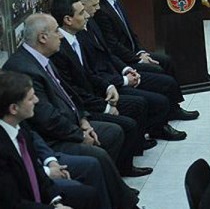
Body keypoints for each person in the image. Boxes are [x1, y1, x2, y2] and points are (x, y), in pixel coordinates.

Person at [2, 13, 139, 209]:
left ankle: (117, 194)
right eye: (56, 31)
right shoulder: (23, 68)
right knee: (96, 158)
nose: (60, 35)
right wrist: (79, 135)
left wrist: (83, 120)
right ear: (43, 37)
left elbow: (69, 93)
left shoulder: (43, 58)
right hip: (53, 137)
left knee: (113, 133)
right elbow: (46, 118)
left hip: (71, 123)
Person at [50, 0, 154, 177]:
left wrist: (108, 87)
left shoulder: (77, 38)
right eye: (81, 13)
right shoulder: (59, 50)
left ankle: (128, 159)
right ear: (68, 20)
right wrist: (105, 107)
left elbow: (89, 72)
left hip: (96, 93)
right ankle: (119, 171)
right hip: (85, 105)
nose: (87, 16)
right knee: (127, 125)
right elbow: (72, 90)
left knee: (138, 104)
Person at [71, 0, 188, 139]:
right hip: (107, 85)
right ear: (82, 5)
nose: (98, 8)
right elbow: (93, 70)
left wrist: (126, 69)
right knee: (156, 98)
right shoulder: (77, 35)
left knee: (164, 73)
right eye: (94, 5)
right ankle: (155, 130)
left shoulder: (91, 22)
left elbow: (108, 53)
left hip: (116, 72)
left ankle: (168, 116)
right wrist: (124, 80)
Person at [89, 0, 198, 122]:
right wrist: (138, 59)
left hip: (134, 53)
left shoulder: (116, 0)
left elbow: (130, 32)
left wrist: (141, 52)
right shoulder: (100, 11)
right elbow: (113, 46)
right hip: (123, 60)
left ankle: (174, 108)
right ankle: (165, 113)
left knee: (166, 61)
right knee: (160, 72)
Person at [0, 70, 98, 209]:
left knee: (88, 195)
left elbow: (36, 171)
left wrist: (55, 200)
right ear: (14, 108)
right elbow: (12, 203)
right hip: (21, 202)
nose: (37, 100)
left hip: (37, 196)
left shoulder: (20, 130)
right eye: (30, 98)